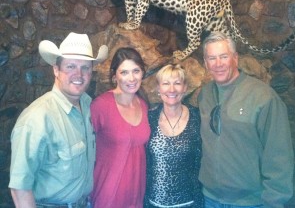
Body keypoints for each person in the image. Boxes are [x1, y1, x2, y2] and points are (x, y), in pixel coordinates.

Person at [9, 32, 108, 208]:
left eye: (85, 67)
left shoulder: (88, 105)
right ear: (56, 69)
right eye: (70, 66)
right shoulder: (36, 119)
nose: (79, 74)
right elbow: (19, 188)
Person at [198, 31, 294, 208]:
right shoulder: (204, 95)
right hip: (209, 199)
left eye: (223, 56)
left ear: (235, 58)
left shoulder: (263, 97)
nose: (218, 64)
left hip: (250, 202)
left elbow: (279, 155)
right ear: (205, 63)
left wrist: (274, 202)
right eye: (211, 58)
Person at [90, 47, 150, 208]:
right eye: (124, 72)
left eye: (136, 71)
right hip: (107, 195)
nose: (131, 78)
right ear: (114, 76)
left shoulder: (143, 105)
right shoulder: (101, 106)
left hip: (136, 196)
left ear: (142, 73)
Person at [144, 64, 203, 208]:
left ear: (185, 87)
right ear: (158, 88)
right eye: (166, 83)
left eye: (177, 83)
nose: (171, 89)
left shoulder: (198, 117)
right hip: (154, 202)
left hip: (190, 202)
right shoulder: (148, 118)